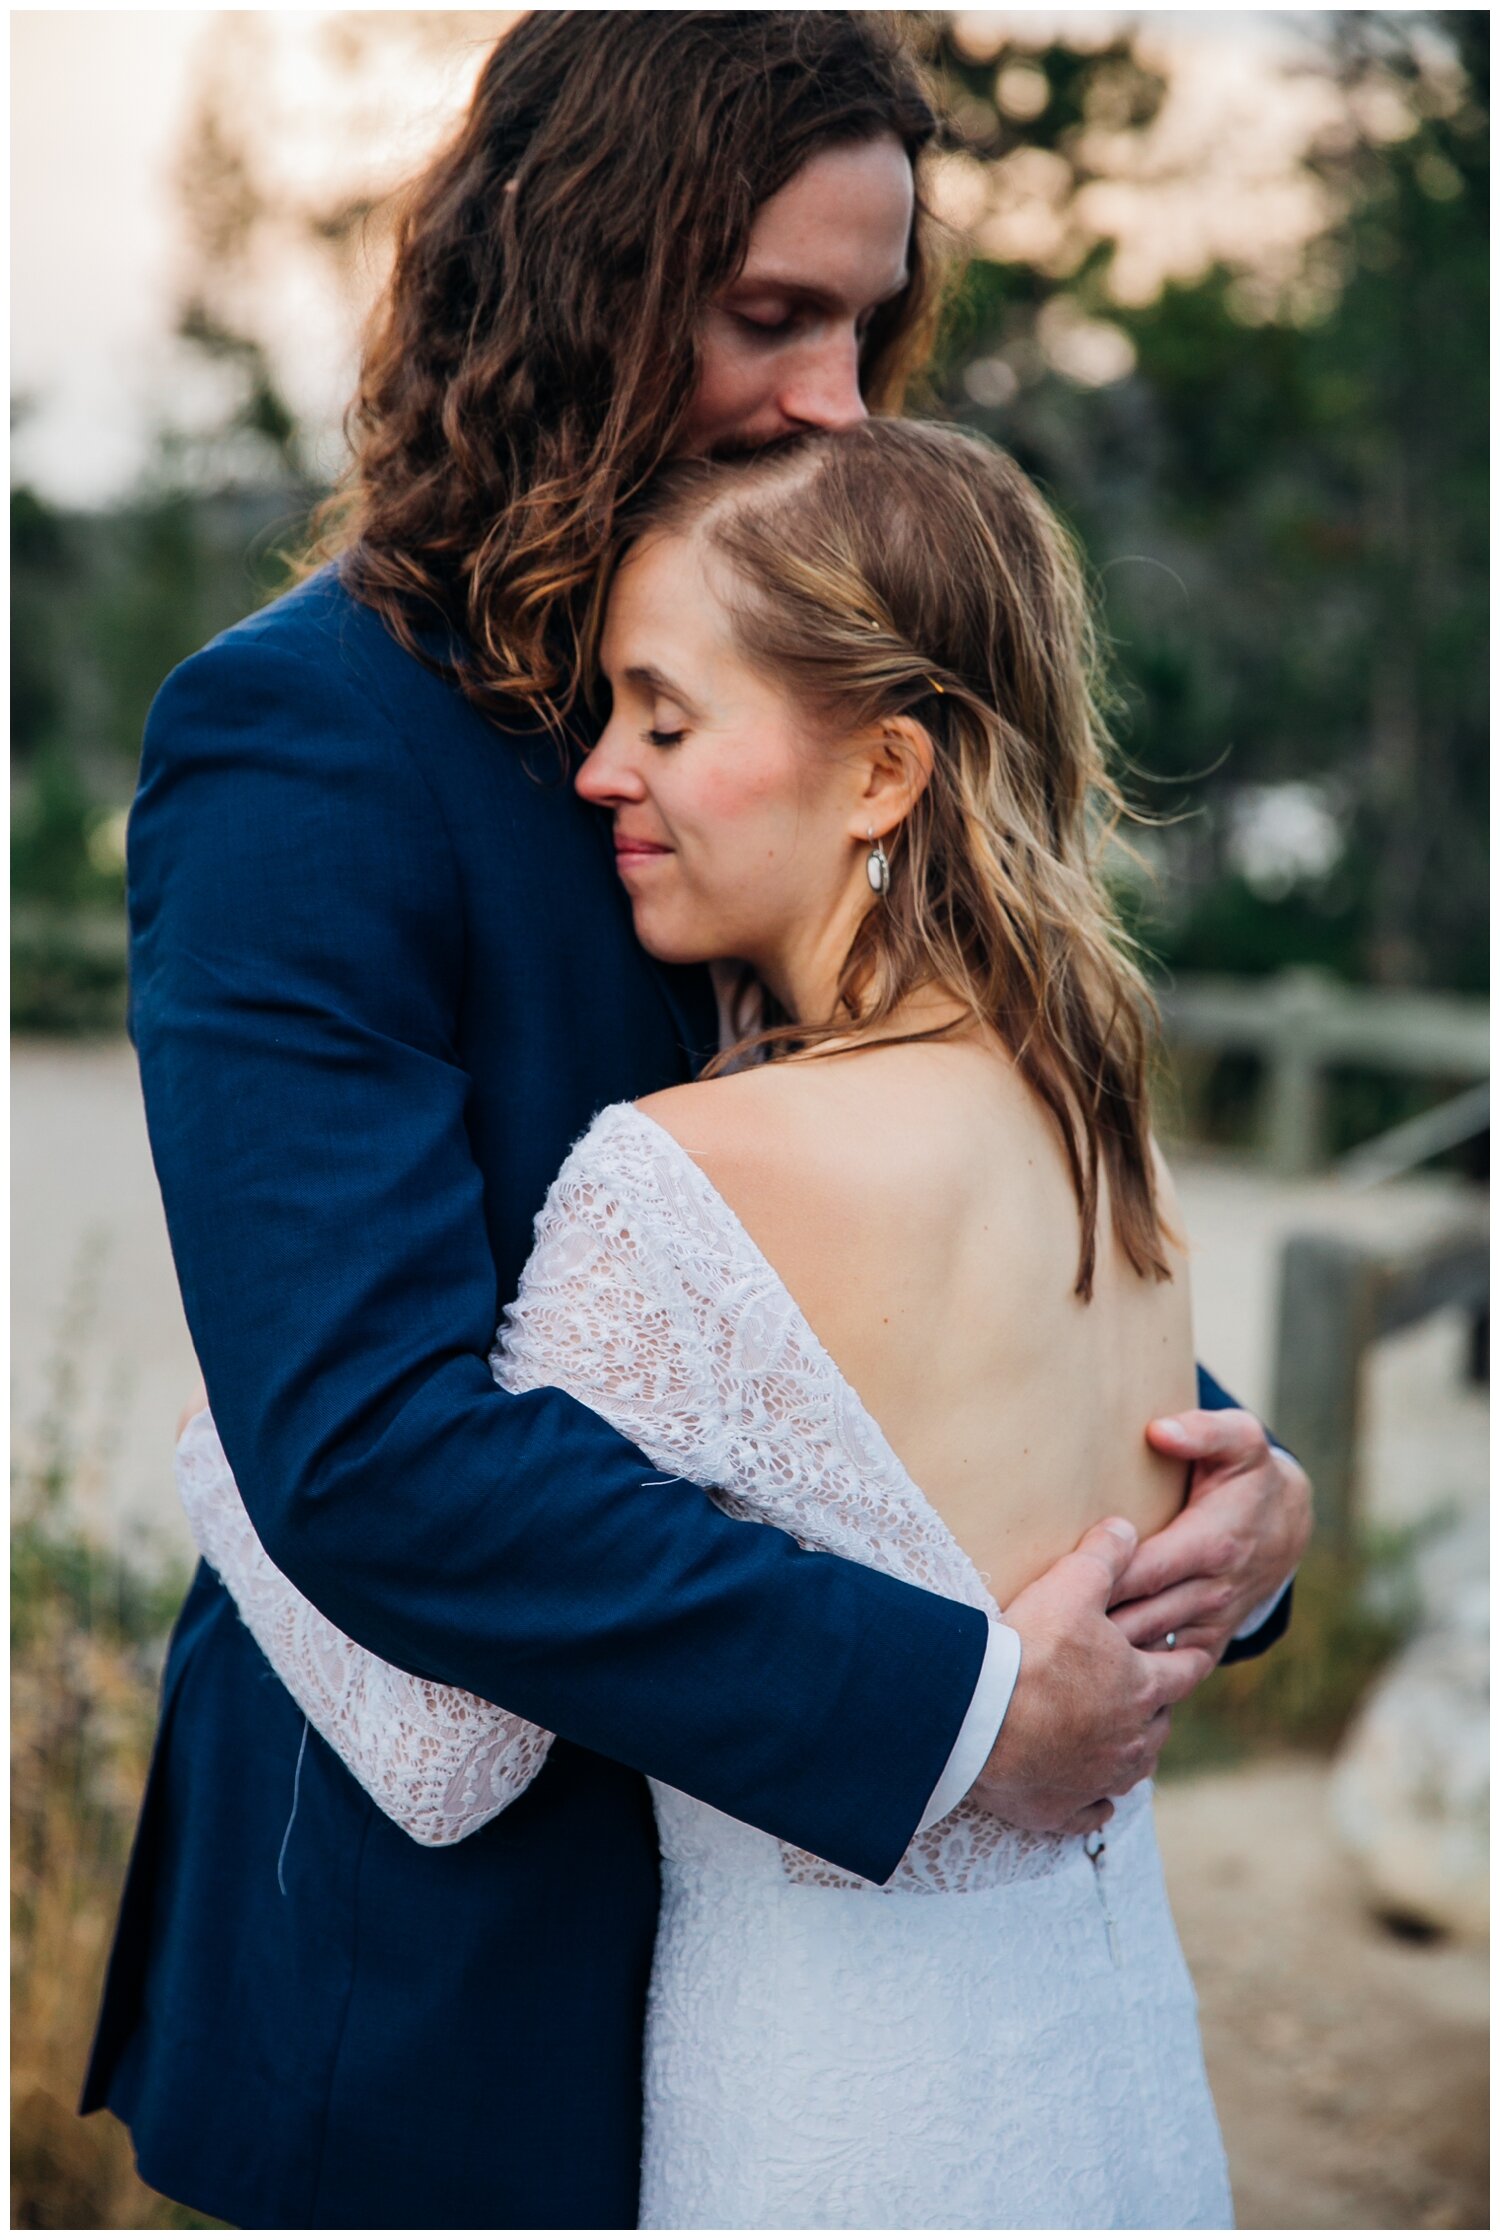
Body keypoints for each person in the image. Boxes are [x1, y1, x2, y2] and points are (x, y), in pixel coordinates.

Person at [83, 15, 1307, 2231]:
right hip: (450, 1983)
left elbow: (889, 1214)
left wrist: (1219, 1487)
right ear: (577, 276)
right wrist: (955, 1709)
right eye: (775, 315)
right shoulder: (300, 747)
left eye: (871, 317)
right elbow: (363, 1450)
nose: (843, 392)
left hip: (818, 2017)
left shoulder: (811, 695)